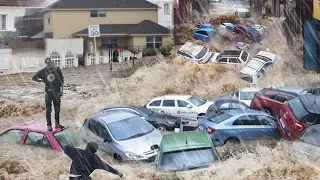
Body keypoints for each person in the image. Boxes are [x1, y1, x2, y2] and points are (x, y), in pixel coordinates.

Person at [32, 57, 64, 131]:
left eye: (50, 64)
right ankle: (49, 125)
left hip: (57, 93)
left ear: (52, 63)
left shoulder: (57, 69)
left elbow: (62, 81)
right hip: (48, 93)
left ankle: (57, 123)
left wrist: (62, 91)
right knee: (48, 110)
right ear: (46, 64)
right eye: (47, 65)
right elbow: (33, 77)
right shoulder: (43, 71)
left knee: (57, 109)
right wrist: (40, 81)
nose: (49, 66)